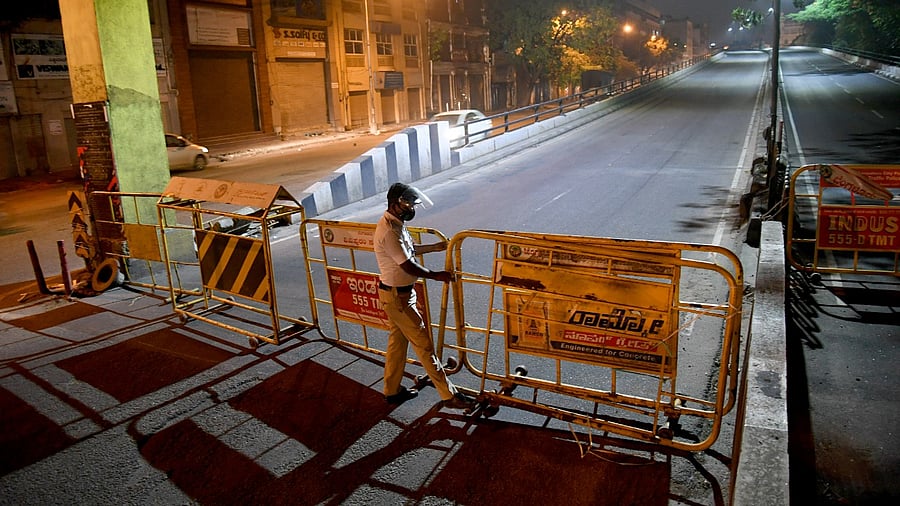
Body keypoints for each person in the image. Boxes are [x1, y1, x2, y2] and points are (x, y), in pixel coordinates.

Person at [374, 182, 474, 410]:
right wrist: (437, 275)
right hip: (397, 298)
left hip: (397, 296)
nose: (411, 208)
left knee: (397, 344)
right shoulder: (389, 230)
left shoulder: (395, 224)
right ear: (394, 203)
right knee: (424, 346)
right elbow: (408, 265)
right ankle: (449, 395)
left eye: (412, 204)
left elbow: (409, 250)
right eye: (407, 204)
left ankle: (391, 391)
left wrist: (434, 247)